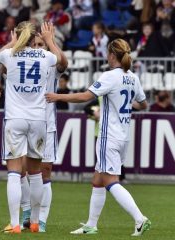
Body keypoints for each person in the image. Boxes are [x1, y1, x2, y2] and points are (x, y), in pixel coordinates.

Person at [46, 38, 151, 236]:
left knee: (111, 180)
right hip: (123, 136)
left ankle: (140, 218)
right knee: (98, 180)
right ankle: (91, 225)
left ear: (112, 55)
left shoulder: (110, 76)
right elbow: (144, 104)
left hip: (108, 136)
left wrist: (58, 96)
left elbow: (86, 96)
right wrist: (127, 104)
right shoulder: (132, 78)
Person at [0, 21, 61, 234]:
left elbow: (2, 55)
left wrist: (12, 42)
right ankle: (35, 222)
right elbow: (59, 59)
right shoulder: (45, 56)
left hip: (15, 118)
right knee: (36, 174)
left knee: (14, 173)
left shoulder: (9, 55)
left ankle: (15, 223)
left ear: (17, 36)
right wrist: (50, 41)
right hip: (39, 119)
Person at [21, 32, 68, 233]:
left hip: (47, 125)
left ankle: (41, 220)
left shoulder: (51, 63)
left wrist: (51, 41)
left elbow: (64, 64)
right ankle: (26, 211)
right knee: (21, 170)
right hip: (24, 122)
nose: (39, 47)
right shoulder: (22, 62)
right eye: (35, 44)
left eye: (42, 44)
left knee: (45, 171)